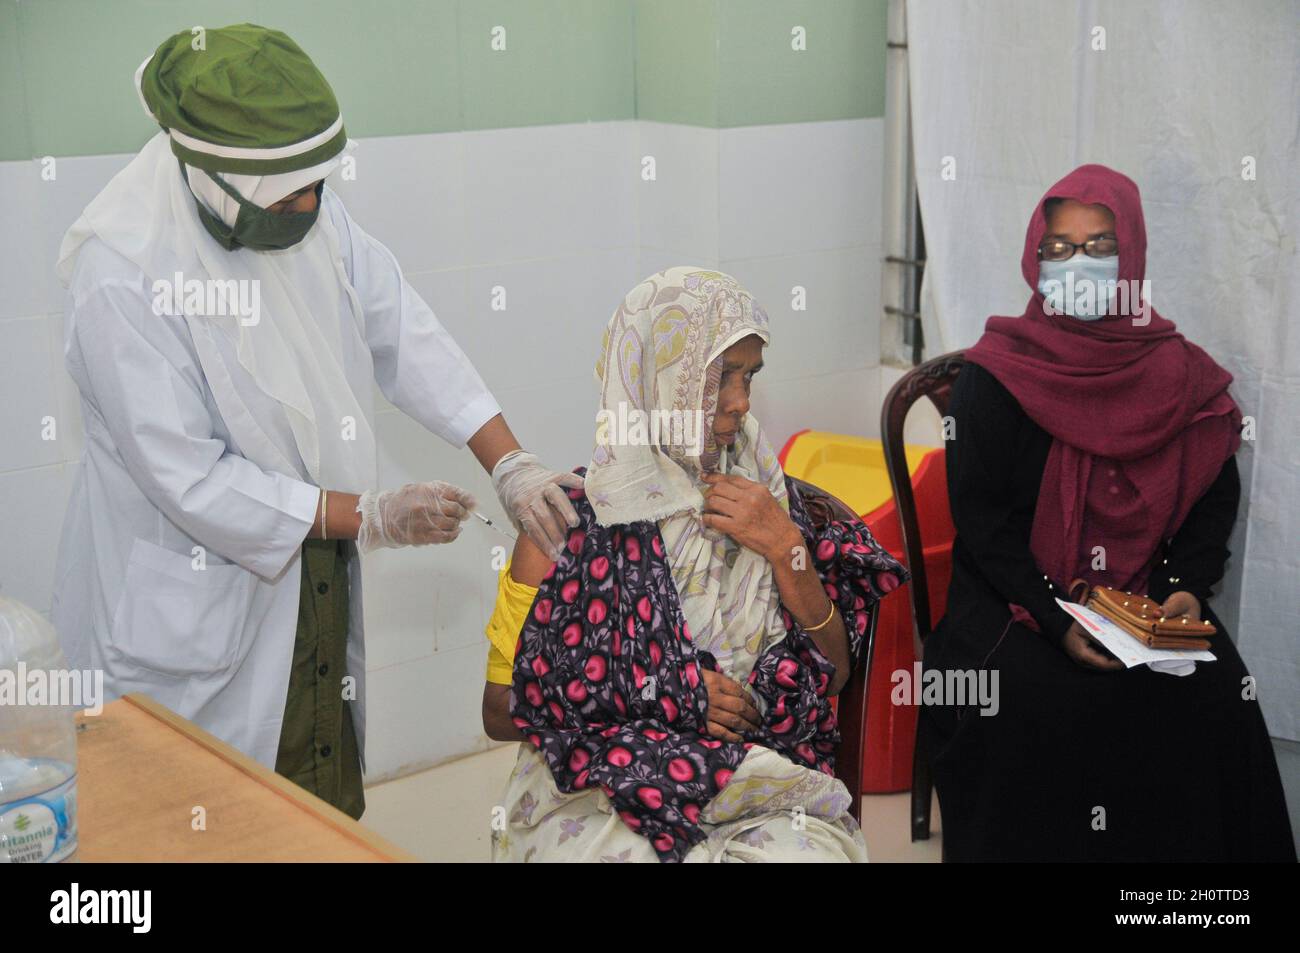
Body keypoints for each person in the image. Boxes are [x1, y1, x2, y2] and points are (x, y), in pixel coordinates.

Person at [51, 24, 580, 819]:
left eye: (318, 187)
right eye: (292, 195)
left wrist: (509, 461)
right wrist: (367, 514)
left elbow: (401, 324)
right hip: (192, 597)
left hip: (309, 574)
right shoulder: (121, 276)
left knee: (311, 803)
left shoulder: (300, 206)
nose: (310, 207)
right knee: (191, 821)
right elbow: (188, 479)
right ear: (213, 178)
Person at [922, 163, 1295, 861]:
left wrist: (1186, 584)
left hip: (1143, 595)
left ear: (1134, 257)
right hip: (1015, 598)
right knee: (1043, 705)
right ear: (1035, 259)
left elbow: (1213, 489)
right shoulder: (996, 375)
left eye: (1099, 246)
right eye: (1059, 248)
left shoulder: (1174, 370)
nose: (1078, 264)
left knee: (1217, 694)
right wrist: (1059, 618)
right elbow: (984, 525)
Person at [480, 267, 909, 862]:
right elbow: (501, 711)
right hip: (600, 784)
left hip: (755, 781)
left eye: (751, 375)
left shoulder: (770, 504)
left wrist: (787, 550)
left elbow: (833, 675)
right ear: (657, 377)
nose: (741, 401)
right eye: (720, 376)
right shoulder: (564, 526)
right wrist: (665, 692)